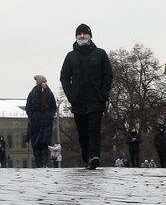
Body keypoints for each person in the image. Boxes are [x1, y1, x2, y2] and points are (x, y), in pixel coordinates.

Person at [59, 23, 112, 170]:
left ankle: (94, 156)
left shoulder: (100, 54)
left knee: (94, 130)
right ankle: (87, 156)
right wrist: (71, 95)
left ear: (90, 36)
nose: (82, 36)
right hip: (78, 101)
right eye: (79, 34)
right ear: (76, 36)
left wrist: (104, 94)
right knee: (83, 133)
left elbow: (108, 75)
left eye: (85, 34)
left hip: (96, 100)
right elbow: (64, 77)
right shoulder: (71, 56)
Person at [25, 74, 57, 167]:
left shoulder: (49, 94)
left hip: (46, 122)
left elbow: (53, 107)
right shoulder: (32, 94)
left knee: (44, 143)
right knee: (36, 144)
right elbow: (28, 107)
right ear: (39, 83)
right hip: (35, 122)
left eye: (46, 82)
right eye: (43, 82)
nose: (45, 84)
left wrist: (50, 117)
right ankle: (38, 164)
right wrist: (32, 117)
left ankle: (44, 164)